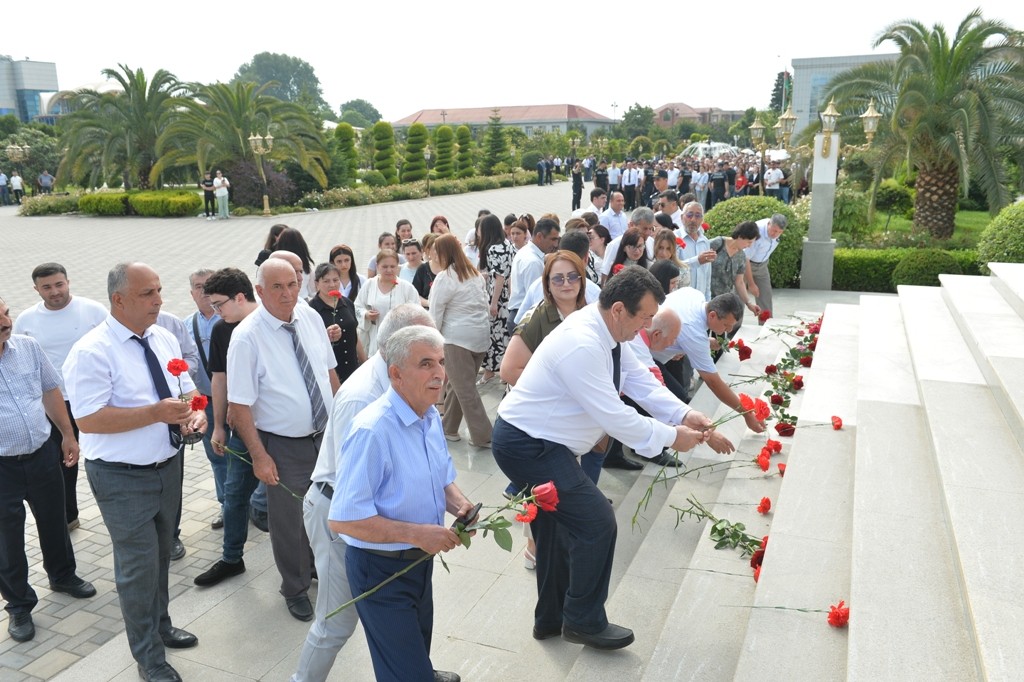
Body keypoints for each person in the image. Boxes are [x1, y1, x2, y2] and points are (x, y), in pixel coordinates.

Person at [492, 266, 714, 650]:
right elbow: (614, 415)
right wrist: (670, 437)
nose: (646, 326)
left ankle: (550, 619)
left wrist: (682, 413)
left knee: (556, 529)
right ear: (618, 309)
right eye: (643, 316)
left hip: (546, 443)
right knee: (596, 521)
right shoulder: (583, 342)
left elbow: (638, 379)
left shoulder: (609, 332)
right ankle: (583, 619)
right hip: (528, 445)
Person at [64, 262, 205, 682]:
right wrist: (154, 414)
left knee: (161, 555)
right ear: (119, 300)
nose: (159, 301)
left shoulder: (162, 337)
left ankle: (161, 626)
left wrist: (196, 414)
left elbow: (187, 391)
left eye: (159, 290)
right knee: (138, 567)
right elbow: (88, 419)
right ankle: (148, 657)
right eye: (148, 294)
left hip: (168, 465)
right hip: (121, 476)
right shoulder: (91, 351)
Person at [292, 304, 435, 682]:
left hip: (376, 518)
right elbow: (352, 495)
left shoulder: (410, 391)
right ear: (395, 349)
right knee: (337, 620)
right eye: (424, 356)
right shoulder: (363, 398)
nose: (435, 368)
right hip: (343, 515)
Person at [329, 325, 474, 682]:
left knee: (414, 649)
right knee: (406, 673)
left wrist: (460, 504)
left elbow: (440, 477)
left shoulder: (428, 417)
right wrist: (418, 533)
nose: (439, 373)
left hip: (418, 562)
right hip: (381, 569)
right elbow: (345, 519)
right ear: (396, 373)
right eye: (426, 364)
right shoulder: (372, 430)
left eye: (440, 362)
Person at [226, 258, 339, 622]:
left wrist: (343, 424)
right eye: (277, 287)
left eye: (292, 284)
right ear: (259, 292)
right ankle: (294, 586)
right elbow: (239, 407)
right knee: (289, 520)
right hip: (284, 444)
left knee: (325, 509)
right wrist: (260, 457)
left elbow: (328, 372)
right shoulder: (246, 338)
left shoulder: (309, 316)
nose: (287, 293)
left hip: (326, 435)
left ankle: (317, 566)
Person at [1, 296, 97, 645]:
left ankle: (63, 575)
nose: (5, 322)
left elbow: (51, 390)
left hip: (42, 453)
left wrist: (68, 434)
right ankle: (19, 604)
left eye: (6, 313)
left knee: (55, 519)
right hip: (2, 468)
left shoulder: (26, 347)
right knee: (7, 538)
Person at [13, 262, 108, 531]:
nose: (55, 291)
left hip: (94, 398)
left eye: (59, 284)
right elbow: (19, 360)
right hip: (53, 402)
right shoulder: (27, 320)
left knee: (104, 457)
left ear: (68, 282)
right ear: (36, 289)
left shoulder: (93, 310)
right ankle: (68, 517)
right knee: (62, 462)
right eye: (47, 287)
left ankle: (116, 511)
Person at [192, 268, 261, 589]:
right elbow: (219, 379)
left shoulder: (269, 323)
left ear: (241, 297)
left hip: (279, 428)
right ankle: (232, 558)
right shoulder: (221, 331)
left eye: (219, 304)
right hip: (241, 431)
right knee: (234, 495)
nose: (215, 312)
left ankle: (305, 559)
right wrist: (218, 425)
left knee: (279, 503)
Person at [654, 289, 767, 449]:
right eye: (726, 325)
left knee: (676, 393)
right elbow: (713, 382)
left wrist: (698, 342)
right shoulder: (693, 332)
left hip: (653, 341)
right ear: (712, 315)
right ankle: (656, 446)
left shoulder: (694, 295)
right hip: (645, 353)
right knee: (673, 395)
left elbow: (687, 331)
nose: (727, 331)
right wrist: (746, 413)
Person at [429, 234, 493, 447]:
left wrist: (433, 341)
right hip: (480, 337)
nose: (432, 256)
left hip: (456, 340)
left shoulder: (445, 277)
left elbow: (435, 313)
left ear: (443, 253)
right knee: (460, 385)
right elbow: (484, 305)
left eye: (435, 252)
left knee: (465, 390)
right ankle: (448, 428)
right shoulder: (473, 273)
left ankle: (484, 436)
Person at [183, 268, 224, 529]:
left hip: (234, 399)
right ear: (191, 293)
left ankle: (253, 503)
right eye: (198, 286)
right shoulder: (186, 325)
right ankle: (226, 505)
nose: (204, 291)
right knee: (217, 456)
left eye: (209, 285)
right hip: (205, 401)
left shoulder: (230, 318)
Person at [308, 263, 366, 384]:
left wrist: (365, 363)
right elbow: (309, 343)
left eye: (335, 280)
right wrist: (326, 336)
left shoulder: (347, 303)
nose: (332, 285)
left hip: (352, 370)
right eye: (326, 281)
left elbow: (354, 336)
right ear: (317, 283)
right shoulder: (311, 310)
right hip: (330, 374)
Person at [356, 250, 421, 356]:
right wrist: (366, 315)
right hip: (374, 339)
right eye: (385, 267)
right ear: (377, 266)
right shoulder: (369, 285)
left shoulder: (406, 287)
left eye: (393, 266)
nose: (389, 270)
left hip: (400, 340)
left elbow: (417, 312)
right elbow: (357, 307)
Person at [507, 218, 561, 332]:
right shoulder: (533, 263)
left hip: (518, 314)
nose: (556, 244)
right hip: (526, 319)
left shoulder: (526, 251)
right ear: (540, 236)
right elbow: (538, 301)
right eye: (553, 239)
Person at [478, 214, 514, 384]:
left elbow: (499, 276)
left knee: (494, 336)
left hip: (498, 298)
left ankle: (491, 371)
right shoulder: (507, 244)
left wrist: (493, 303)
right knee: (504, 336)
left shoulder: (493, 249)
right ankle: (501, 371)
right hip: (508, 296)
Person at [708, 222, 761, 326]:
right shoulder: (717, 244)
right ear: (741, 236)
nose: (749, 246)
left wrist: (748, 303)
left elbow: (739, 282)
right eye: (748, 242)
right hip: (707, 297)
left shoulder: (741, 256)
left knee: (721, 332)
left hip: (723, 301)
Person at [744, 214, 788, 320]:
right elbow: (745, 259)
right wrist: (751, 284)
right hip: (744, 265)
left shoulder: (776, 231)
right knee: (738, 298)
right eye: (773, 230)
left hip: (762, 265)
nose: (775, 234)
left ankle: (766, 327)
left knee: (765, 297)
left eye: (779, 232)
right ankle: (733, 331)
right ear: (769, 224)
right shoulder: (756, 231)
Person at [676, 201, 715, 300]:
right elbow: (672, 268)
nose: (693, 220)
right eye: (689, 215)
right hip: (680, 299)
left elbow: (707, 276)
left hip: (699, 300)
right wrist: (697, 260)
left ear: (702, 220)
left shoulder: (705, 241)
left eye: (698, 216)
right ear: (682, 217)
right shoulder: (674, 238)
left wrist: (707, 301)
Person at [276, 228, 318, 300]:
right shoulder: (306, 265)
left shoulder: (275, 264)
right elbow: (312, 291)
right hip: (303, 300)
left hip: (282, 300)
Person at [412, 233, 441, 307]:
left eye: (442, 248)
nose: (440, 251)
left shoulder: (452, 268)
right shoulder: (423, 269)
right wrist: (430, 303)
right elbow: (415, 294)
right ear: (428, 251)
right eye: (435, 248)